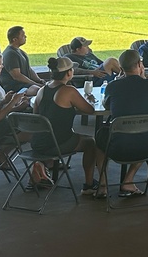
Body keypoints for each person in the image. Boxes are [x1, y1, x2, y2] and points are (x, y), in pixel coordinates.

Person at [31, 57, 102, 196]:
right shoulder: (68, 90)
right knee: (91, 142)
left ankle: (41, 166)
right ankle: (89, 184)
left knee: (73, 135)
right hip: (57, 143)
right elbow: (90, 110)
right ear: (69, 73)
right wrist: (90, 100)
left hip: (38, 143)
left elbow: (36, 118)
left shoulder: (42, 90)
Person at [96, 49, 148, 197]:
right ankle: (129, 180)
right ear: (139, 64)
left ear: (121, 68)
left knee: (99, 140)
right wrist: (144, 79)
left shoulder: (113, 86)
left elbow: (108, 106)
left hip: (117, 145)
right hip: (146, 146)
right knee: (145, 131)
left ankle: (103, 184)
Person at [0, 26, 42, 97]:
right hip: (15, 87)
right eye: (22, 35)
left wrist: (39, 80)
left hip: (25, 84)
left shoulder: (21, 52)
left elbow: (29, 69)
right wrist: (35, 84)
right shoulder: (10, 54)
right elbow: (17, 76)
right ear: (15, 39)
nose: (25, 36)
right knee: (37, 90)